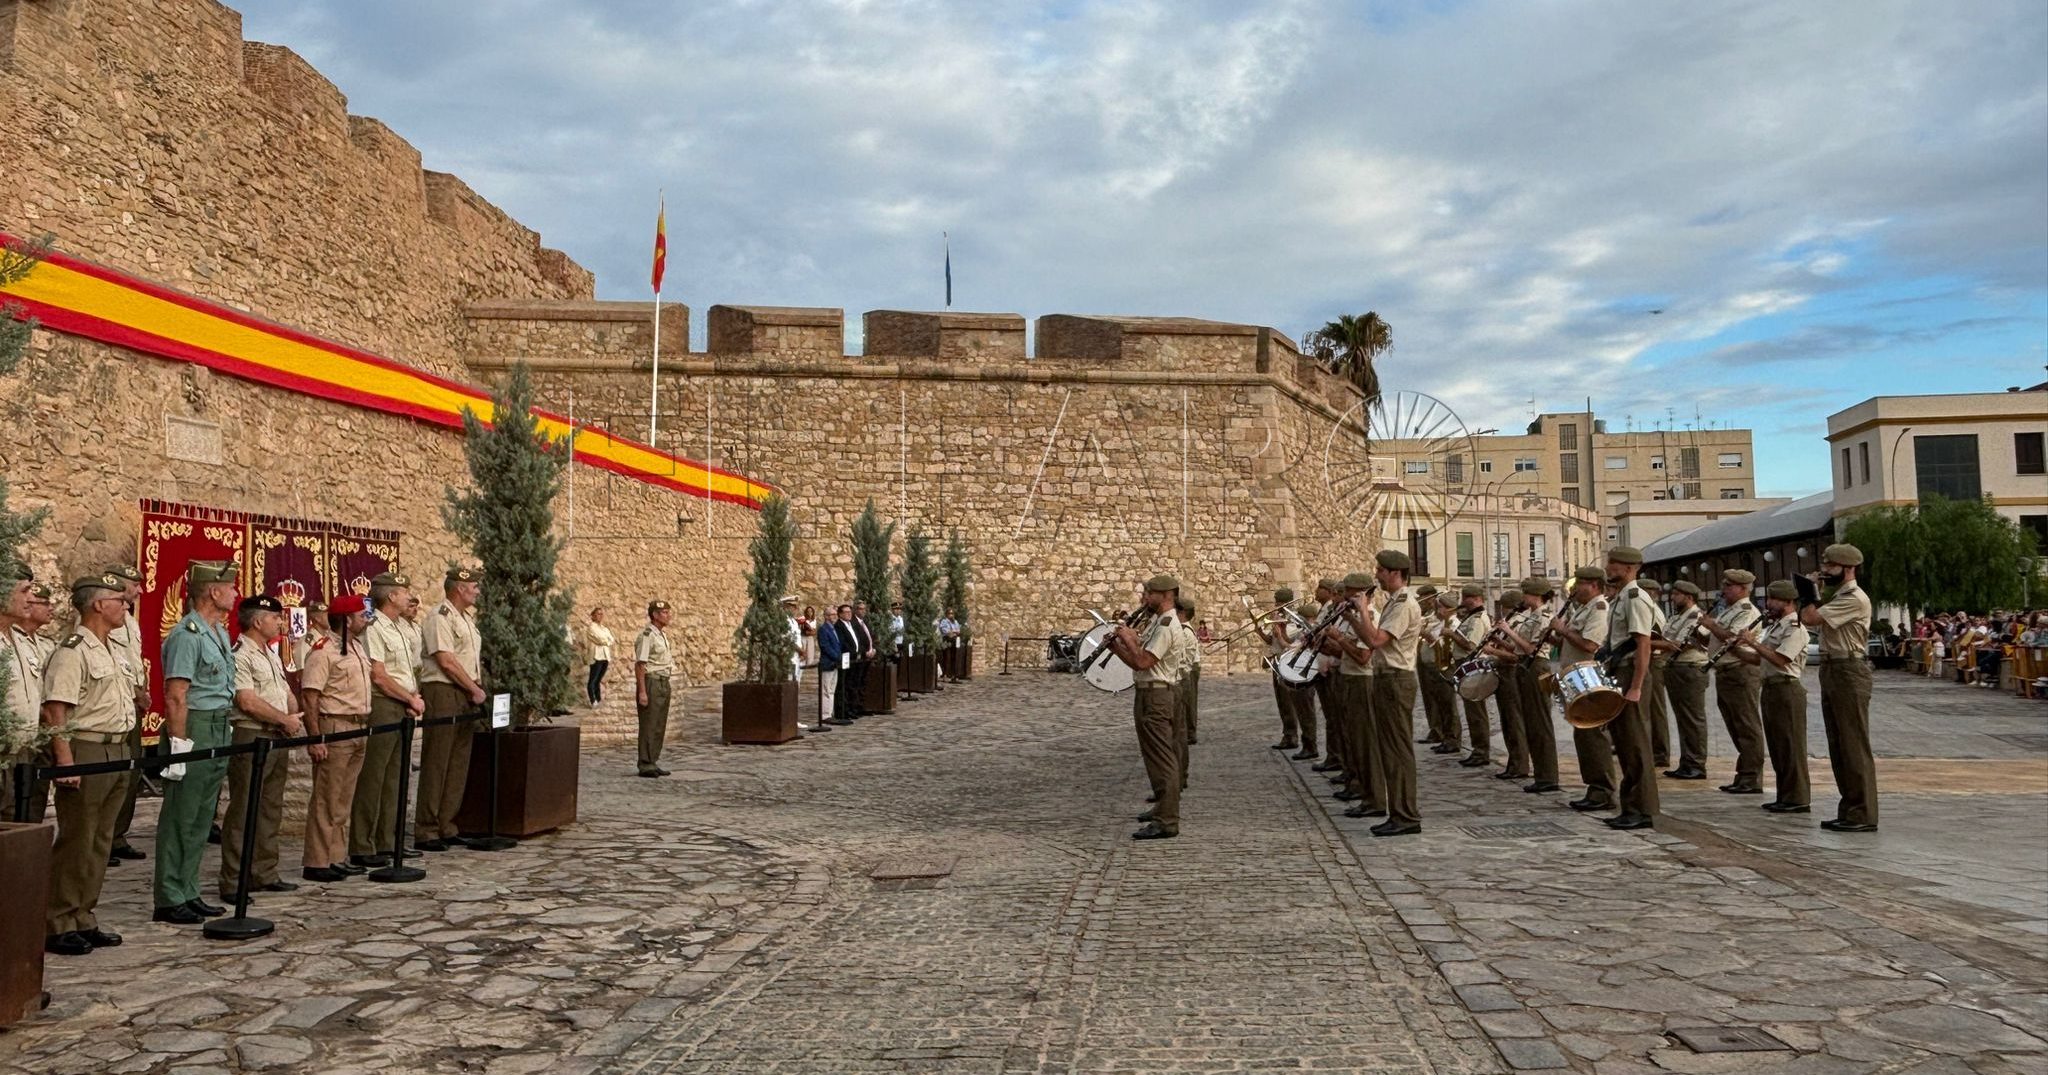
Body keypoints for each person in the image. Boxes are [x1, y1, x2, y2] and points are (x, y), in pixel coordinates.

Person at [40, 574, 138, 955]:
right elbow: (56, 709)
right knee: (78, 838)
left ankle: (84, 915)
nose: (126, 605)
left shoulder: (110, 648)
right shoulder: (73, 650)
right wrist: (65, 761)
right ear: (99, 604)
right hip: (87, 749)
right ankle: (59, 920)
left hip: (115, 749)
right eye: (120, 599)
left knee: (101, 839)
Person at [153, 560, 238, 923]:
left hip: (218, 723)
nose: (235, 594)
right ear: (213, 591)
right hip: (195, 726)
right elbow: (176, 695)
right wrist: (179, 743)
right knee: (181, 814)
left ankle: (188, 888)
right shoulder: (187, 635)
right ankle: (170, 895)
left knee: (203, 814)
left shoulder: (215, 632)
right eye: (231, 588)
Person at [219, 594, 303, 900]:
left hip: (276, 733)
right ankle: (234, 878)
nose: (280, 622)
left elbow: (282, 690)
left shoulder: (269, 653)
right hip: (253, 734)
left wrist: (292, 713)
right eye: (274, 618)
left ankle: (264, 871)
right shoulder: (240, 653)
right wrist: (284, 718)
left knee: (270, 806)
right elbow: (247, 700)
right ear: (257, 621)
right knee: (244, 808)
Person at [1800, 544, 1877, 832]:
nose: (1825, 571)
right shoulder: (1840, 598)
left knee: (1853, 744)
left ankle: (1862, 812)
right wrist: (1814, 593)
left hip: (1848, 669)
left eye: (1830, 567)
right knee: (1839, 743)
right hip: (1834, 667)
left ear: (1848, 568)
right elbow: (1813, 620)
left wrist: (1809, 591)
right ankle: (1850, 808)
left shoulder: (1854, 598)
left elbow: (1809, 617)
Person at [1105, 575, 1186, 841]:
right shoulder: (1157, 622)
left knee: (1163, 758)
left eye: (1149, 594)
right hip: (1150, 693)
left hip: (1158, 696)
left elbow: (1143, 661)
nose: (1145, 599)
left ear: (1165, 595)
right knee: (1154, 756)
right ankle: (1162, 809)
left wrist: (1127, 638)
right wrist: (1117, 648)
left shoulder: (1166, 625)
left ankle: (1167, 820)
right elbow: (1138, 659)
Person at [1349, 551, 1423, 837]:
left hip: (1396, 679)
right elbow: (1371, 637)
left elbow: (1376, 641)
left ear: (1395, 573)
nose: (1377, 574)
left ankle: (1406, 815)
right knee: (1390, 749)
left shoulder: (1404, 604)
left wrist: (1365, 611)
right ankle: (1400, 812)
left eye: (1380, 570)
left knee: (1396, 749)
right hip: (1388, 679)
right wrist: (1355, 617)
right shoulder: (1395, 602)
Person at [353, 573, 424, 868]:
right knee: (374, 777)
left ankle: (388, 840)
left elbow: (409, 670)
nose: (409, 596)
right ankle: (362, 843)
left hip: (402, 704)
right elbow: (379, 675)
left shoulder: (400, 627)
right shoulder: (374, 628)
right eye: (403, 591)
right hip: (385, 704)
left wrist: (413, 697)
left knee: (396, 777)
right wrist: (409, 698)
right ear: (391, 596)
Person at [301, 595, 371, 882]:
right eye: (360, 614)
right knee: (327, 797)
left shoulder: (355, 647)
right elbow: (310, 696)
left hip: (357, 725)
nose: (365, 618)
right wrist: (315, 737)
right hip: (336, 725)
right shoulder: (323, 651)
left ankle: (336, 855)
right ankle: (317, 860)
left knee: (344, 797)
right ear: (346, 619)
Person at [416, 567, 485, 852]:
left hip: (466, 690)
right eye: (473, 586)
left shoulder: (466, 619)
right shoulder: (439, 617)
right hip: (444, 690)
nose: (477, 591)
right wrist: (473, 688)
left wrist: (474, 686)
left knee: (458, 760)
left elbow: (468, 659)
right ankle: (427, 827)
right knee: (438, 759)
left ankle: (447, 822)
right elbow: (445, 661)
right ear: (458, 588)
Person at [1598, 547, 1661, 831]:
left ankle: (1642, 809)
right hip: (1619, 671)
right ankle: (1631, 806)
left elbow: (1643, 644)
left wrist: (1635, 686)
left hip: (1630, 673)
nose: (1608, 567)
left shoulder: (1636, 598)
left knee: (1635, 744)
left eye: (1613, 564)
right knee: (1624, 742)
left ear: (1628, 568)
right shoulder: (1622, 597)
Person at [1736, 581, 1810, 814]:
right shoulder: (1777, 626)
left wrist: (1753, 642)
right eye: (1769, 599)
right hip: (1770, 688)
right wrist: (1735, 649)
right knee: (1778, 746)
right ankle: (1785, 795)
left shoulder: (1796, 627)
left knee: (1790, 745)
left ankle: (1798, 798)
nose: (1769, 604)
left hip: (1787, 689)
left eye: (1774, 600)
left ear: (1788, 602)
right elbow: (1760, 660)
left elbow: (1780, 659)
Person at [1550, 567, 1614, 812]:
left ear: (1596, 586)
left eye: (1582, 584)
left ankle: (1603, 790)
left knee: (1593, 735)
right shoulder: (1584, 609)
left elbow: (1590, 644)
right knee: (1583, 735)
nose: (1576, 589)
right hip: (1575, 676)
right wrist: (1555, 636)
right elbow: (1571, 643)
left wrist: (1564, 629)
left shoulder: (1599, 609)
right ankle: (1594, 788)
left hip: (1588, 677)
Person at [1699, 569, 1766, 795]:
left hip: (1740, 671)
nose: (1724, 589)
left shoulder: (1747, 611)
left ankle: (1752, 776)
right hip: (1725, 672)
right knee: (1734, 724)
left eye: (1729, 586)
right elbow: (1717, 638)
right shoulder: (1728, 611)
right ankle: (1743, 773)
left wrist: (1710, 625)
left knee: (1746, 725)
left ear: (1743, 589)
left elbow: (1732, 638)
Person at [1321, 571, 1381, 818]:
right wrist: (1325, 643)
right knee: (1349, 735)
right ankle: (1355, 781)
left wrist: (1339, 641)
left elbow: (1362, 656)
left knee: (1362, 739)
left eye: (1349, 592)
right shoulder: (1349, 617)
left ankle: (1367, 791)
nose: (1343, 596)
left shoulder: (1371, 617)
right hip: (1347, 677)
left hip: (1361, 681)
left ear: (1361, 594)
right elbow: (1344, 652)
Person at [104, 564, 151, 865]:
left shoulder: (130, 621)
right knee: (113, 774)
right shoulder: (106, 622)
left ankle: (118, 834)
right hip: (117, 698)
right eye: (134, 585)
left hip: (132, 702)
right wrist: (136, 690)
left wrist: (143, 687)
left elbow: (134, 659)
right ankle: (104, 838)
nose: (139, 590)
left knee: (131, 773)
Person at [1501, 576, 1564, 795]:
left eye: (1526, 593)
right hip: (1526, 666)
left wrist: (1508, 632)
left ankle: (1548, 776)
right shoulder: (1532, 616)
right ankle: (1541, 774)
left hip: (1538, 666)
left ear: (1536, 595)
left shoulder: (1544, 616)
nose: (1524, 597)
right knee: (1531, 722)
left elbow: (1530, 648)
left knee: (1540, 723)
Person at [1657, 580, 1712, 779]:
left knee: (1693, 719)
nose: (1673, 597)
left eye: (1677, 594)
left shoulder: (1696, 616)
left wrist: (1650, 642)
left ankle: (1696, 764)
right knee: (1683, 719)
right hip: (1675, 668)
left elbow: (1679, 644)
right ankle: (1687, 762)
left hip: (1690, 669)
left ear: (1688, 597)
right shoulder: (1677, 617)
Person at [2, 576, 45, 822]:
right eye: (25, 590)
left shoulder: (21, 641)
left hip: (24, 751)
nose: (31, 598)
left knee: (19, 825)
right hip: (3, 751)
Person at [1442, 583, 1493, 769]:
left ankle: (1481, 751)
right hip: (1465, 666)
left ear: (1477, 599)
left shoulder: (1478, 618)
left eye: (1467, 598)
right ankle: (1477, 749)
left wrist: (1451, 634)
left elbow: (1471, 645)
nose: (1464, 602)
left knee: (1476, 712)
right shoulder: (1472, 617)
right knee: (1472, 712)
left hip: (1472, 666)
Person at [1258, 587, 1304, 753]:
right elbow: (1272, 641)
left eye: (1279, 602)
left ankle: (1292, 736)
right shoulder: (1279, 618)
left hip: (1287, 661)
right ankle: (1287, 733)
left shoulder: (1293, 619)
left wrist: (1279, 629)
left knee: (1287, 700)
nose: (1276, 605)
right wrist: (1259, 631)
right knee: (1281, 700)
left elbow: (1288, 641)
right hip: (1276, 660)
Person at [635, 600, 677, 776]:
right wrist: (642, 691)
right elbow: (640, 665)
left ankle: (653, 760)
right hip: (651, 681)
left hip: (663, 681)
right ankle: (645, 763)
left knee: (659, 723)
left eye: (668, 612)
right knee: (649, 723)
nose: (668, 616)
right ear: (655, 615)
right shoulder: (647, 635)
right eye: (664, 613)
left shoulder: (662, 635)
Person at [1414, 584, 1457, 755]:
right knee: (1431, 698)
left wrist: (1424, 632)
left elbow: (1439, 641)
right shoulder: (1432, 617)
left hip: (1442, 664)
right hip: (1427, 662)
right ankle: (1437, 730)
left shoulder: (1451, 621)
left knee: (1447, 704)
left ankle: (1451, 737)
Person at [1638, 577, 1672, 770]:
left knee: (1656, 708)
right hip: (1649, 658)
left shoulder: (1652, 611)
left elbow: (1657, 638)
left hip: (1654, 660)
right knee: (1650, 708)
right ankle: (1655, 749)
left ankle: (1660, 752)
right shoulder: (1649, 609)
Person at [1175, 594, 1202, 749]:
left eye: (1177, 611)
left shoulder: (1186, 631)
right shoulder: (1182, 629)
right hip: (1190, 666)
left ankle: (1190, 733)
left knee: (1189, 700)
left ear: (1183, 613)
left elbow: (1184, 657)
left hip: (1190, 668)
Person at [813, 605, 845, 731]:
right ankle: (825, 714)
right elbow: (825, 646)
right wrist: (836, 656)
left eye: (835, 614)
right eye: (832, 615)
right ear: (826, 616)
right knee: (826, 689)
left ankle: (829, 712)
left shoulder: (833, 629)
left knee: (832, 689)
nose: (834, 617)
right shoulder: (823, 629)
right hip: (827, 662)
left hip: (835, 663)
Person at [830, 605, 860, 724]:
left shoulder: (850, 624)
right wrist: (852, 652)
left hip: (854, 659)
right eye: (846, 612)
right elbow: (843, 643)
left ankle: (850, 709)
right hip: (845, 658)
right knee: (843, 685)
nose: (849, 614)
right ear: (840, 614)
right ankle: (841, 710)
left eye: (850, 612)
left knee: (850, 684)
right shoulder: (839, 625)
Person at [847, 601, 876, 716]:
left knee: (863, 682)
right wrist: (864, 652)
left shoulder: (865, 622)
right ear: (855, 610)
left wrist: (873, 649)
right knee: (855, 682)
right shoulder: (853, 623)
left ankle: (861, 705)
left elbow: (870, 637)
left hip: (868, 656)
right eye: (860, 609)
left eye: (864, 609)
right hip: (859, 658)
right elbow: (857, 641)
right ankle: (854, 707)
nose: (862, 611)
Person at [584, 607, 615, 707]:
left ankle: (598, 699)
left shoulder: (604, 628)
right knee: (593, 679)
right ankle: (593, 700)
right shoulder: (591, 627)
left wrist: (606, 641)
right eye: (598, 614)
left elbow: (611, 640)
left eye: (601, 614)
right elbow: (600, 639)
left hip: (605, 656)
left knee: (599, 679)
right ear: (593, 616)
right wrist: (606, 641)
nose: (600, 616)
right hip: (596, 656)